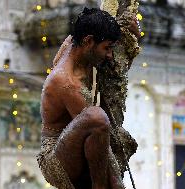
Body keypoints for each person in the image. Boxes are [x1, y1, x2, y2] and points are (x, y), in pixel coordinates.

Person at [37, 7, 139, 189]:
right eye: (106, 48)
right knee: (96, 117)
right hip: (56, 160)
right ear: (88, 41)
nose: (109, 55)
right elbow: (101, 139)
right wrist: (117, 184)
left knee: (113, 131)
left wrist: (132, 33)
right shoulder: (67, 83)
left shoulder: (73, 41)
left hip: (79, 142)